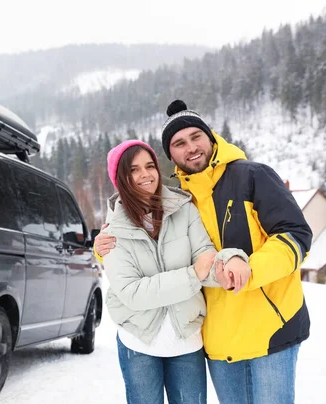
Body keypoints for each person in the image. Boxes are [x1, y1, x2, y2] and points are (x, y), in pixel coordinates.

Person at [95, 101, 312, 404]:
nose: (191, 147)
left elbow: (296, 235)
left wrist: (248, 268)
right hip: (218, 338)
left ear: (211, 137)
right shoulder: (182, 199)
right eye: (179, 143)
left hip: (270, 329)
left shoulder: (253, 176)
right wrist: (102, 249)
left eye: (196, 137)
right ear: (170, 156)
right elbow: (150, 249)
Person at [102, 139, 248, 404]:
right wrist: (193, 275)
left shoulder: (184, 208)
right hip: (139, 340)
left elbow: (206, 257)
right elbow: (132, 293)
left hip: (186, 339)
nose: (145, 174)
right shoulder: (112, 232)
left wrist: (231, 261)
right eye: (133, 170)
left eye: (149, 166)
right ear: (120, 178)